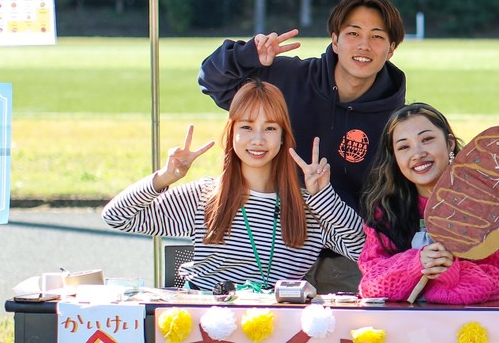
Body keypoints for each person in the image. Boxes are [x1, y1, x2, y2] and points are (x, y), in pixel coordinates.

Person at [197, 0, 407, 292]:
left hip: (348, 257)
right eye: (353, 33)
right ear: (334, 40)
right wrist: (247, 57)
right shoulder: (287, 77)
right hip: (278, 247)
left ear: (391, 48)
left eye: (377, 36)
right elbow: (211, 80)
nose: (364, 45)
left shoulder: (396, 117)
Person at [103, 81, 363, 291]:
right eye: (247, 127)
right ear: (232, 133)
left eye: (270, 128)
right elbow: (116, 217)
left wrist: (323, 197)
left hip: (279, 329)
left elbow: (362, 248)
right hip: (207, 327)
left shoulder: (310, 206)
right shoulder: (206, 196)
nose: (258, 140)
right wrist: (164, 178)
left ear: (283, 137)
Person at [356, 103, 499, 304]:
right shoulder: (385, 210)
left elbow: (497, 282)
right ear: (394, 158)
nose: (418, 153)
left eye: (427, 139)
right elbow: (371, 284)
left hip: (473, 328)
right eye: (404, 147)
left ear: (449, 144)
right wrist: (416, 263)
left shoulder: (485, 205)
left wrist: (449, 271)